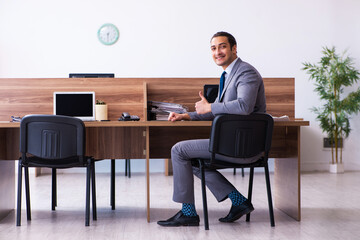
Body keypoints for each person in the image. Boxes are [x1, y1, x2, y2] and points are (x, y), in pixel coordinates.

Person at [157, 31, 266, 227]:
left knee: (179, 150)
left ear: (234, 48)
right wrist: (186, 115)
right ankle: (238, 201)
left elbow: (244, 106)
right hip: (231, 142)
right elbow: (215, 111)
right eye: (213, 48)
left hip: (242, 145)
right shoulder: (228, 75)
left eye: (222, 46)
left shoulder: (246, 72)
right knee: (192, 161)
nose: (218, 52)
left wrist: (210, 107)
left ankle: (188, 213)